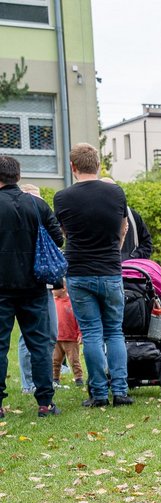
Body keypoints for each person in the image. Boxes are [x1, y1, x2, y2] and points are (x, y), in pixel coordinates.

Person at [53, 143, 132, 408]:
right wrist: (114, 253)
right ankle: (120, 391)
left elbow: (63, 233)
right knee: (114, 332)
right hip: (110, 270)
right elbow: (123, 228)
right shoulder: (116, 193)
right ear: (98, 165)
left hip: (78, 271)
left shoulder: (62, 198)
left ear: (73, 167)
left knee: (91, 334)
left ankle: (98, 394)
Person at [0, 156, 63, 418]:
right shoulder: (37, 205)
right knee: (39, 344)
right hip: (34, 285)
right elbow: (58, 238)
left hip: (1, 287)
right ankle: (45, 402)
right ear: (18, 175)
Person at [14, 183, 58, 396]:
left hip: (44, 284)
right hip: (30, 285)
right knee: (28, 337)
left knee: (49, 335)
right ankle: (29, 383)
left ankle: (46, 381)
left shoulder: (40, 215)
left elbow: (58, 239)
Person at [97, 178, 153, 262]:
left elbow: (146, 244)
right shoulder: (93, 216)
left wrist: (132, 258)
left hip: (130, 271)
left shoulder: (132, 215)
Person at [52, 286, 83, 387]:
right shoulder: (52, 302)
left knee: (74, 360)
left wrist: (80, 333)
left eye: (54, 288)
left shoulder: (72, 303)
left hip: (70, 338)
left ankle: (78, 378)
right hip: (56, 338)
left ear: (64, 288)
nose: (52, 290)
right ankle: (55, 379)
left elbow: (78, 319)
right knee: (55, 360)